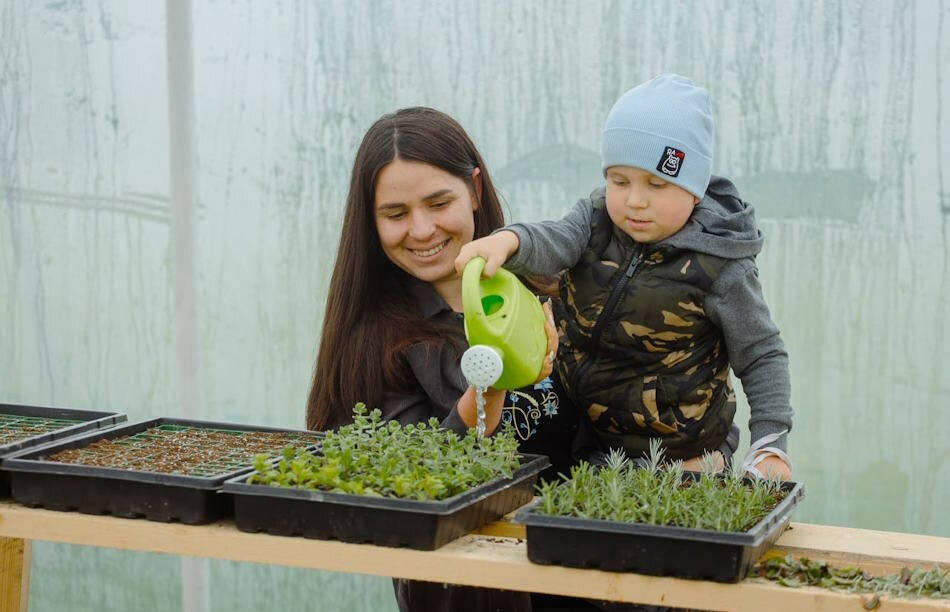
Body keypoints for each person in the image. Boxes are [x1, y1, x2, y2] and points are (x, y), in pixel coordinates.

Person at [306, 106, 598, 612]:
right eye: (395, 214)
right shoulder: (368, 346)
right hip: (465, 595)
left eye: (438, 203)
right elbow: (403, 494)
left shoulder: (549, 292)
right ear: (370, 220)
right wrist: (492, 385)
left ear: (475, 191)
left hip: (588, 582)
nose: (421, 231)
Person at [455, 74, 793, 480]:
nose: (635, 200)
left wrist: (770, 442)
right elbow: (555, 238)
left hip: (678, 454)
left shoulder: (721, 265)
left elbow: (761, 354)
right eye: (620, 181)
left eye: (657, 183)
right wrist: (509, 241)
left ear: (695, 188)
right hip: (593, 440)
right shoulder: (596, 217)